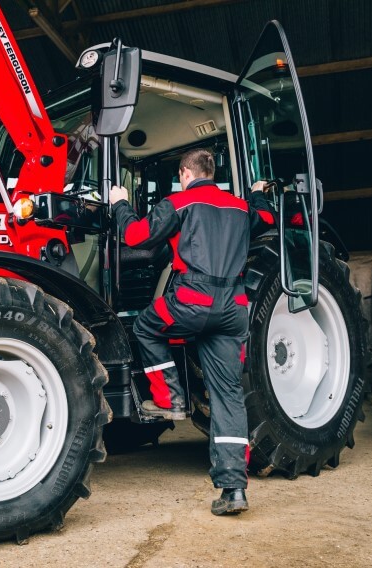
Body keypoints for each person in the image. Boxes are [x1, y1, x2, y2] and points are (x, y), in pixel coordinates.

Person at [110, 148, 274, 515]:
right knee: (228, 394)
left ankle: (171, 399)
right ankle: (233, 489)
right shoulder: (240, 207)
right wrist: (259, 190)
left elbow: (137, 236)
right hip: (233, 310)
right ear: (210, 172)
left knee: (145, 327)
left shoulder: (179, 203)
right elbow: (266, 215)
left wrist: (120, 203)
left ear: (185, 172)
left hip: (191, 300)